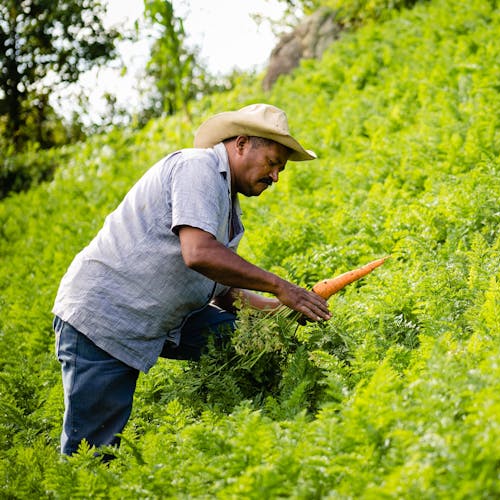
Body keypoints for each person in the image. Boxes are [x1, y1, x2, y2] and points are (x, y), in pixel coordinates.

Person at [52, 103, 331, 457]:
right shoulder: (197, 168)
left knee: (254, 342)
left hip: (164, 316)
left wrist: (276, 311)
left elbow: (219, 285)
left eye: (281, 169)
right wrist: (281, 286)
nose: (276, 176)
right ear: (242, 143)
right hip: (106, 316)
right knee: (91, 455)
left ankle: (266, 432)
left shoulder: (225, 197)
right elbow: (199, 253)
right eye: (273, 163)